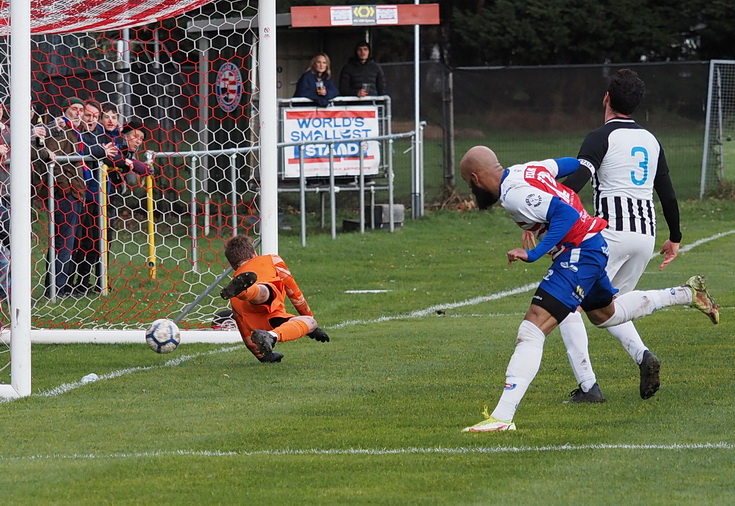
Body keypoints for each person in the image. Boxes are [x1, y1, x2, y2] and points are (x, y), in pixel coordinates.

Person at [458, 146, 719, 432]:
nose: (472, 191)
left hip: (578, 251)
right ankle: (687, 294)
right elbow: (574, 163)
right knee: (607, 315)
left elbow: (564, 214)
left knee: (532, 329)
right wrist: (548, 204)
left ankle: (502, 417)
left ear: (475, 178)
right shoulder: (527, 168)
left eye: (469, 185)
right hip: (593, 245)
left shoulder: (513, 194)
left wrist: (533, 253)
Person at [559, 69, 683, 402]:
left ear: (606, 98)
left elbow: (579, 177)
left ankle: (588, 387)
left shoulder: (600, 136)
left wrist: (549, 207)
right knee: (608, 307)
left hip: (609, 234)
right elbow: (667, 193)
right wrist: (675, 236)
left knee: (564, 303)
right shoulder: (651, 140)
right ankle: (643, 356)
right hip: (645, 236)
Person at [219, 235, 330, 363]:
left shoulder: (233, 295)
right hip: (270, 309)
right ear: (254, 253)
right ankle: (250, 292)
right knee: (267, 292)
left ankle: (270, 335)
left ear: (232, 265)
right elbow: (295, 294)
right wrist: (312, 324)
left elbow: (244, 332)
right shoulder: (271, 260)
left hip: (256, 322)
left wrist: (264, 356)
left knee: (260, 294)